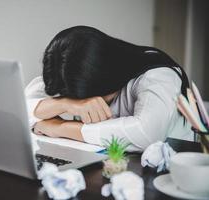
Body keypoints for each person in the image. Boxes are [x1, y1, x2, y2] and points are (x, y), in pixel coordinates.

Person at [25, 26, 192, 151]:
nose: (81, 102)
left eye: (81, 97)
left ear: (108, 77)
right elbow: (22, 105)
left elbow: (147, 134)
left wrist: (60, 128)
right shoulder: (70, 69)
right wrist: (66, 103)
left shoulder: (159, 77)